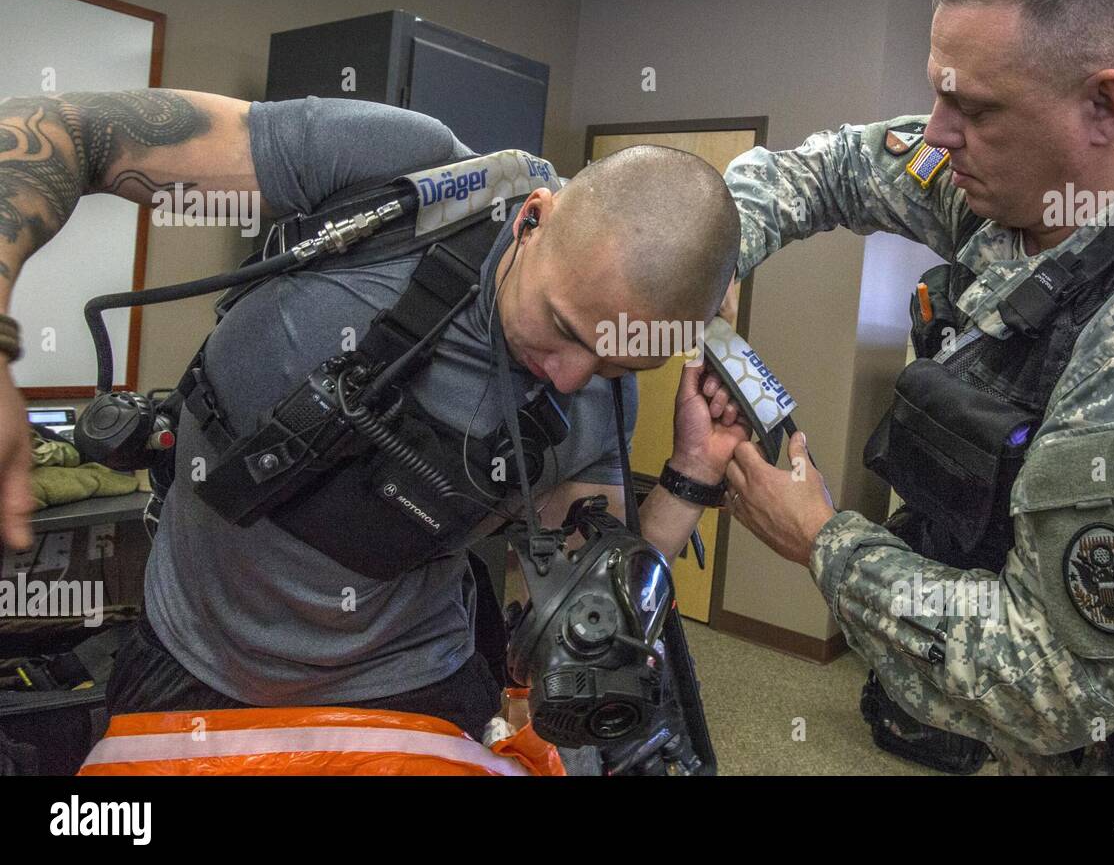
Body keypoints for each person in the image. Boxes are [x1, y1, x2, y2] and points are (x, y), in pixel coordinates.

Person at [715, 0, 1114, 774]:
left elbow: (1053, 683)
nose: (938, 131)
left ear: (1104, 107)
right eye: (940, 92)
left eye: (975, 107)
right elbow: (830, 169)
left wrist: (824, 541)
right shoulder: (1019, 189)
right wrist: (705, 248)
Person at [0, 90, 749, 742]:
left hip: (410, 684)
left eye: (617, 360)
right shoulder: (400, 174)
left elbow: (589, 608)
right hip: (190, 655)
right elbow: (66, 131)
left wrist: (692, 472)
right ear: (533, 218)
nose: (570, 374)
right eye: (561, 325)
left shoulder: (599, 404)